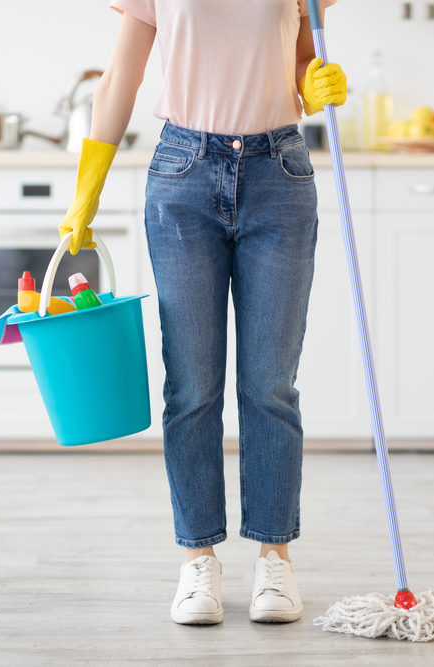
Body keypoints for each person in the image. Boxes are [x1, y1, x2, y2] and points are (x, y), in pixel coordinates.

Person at [58, 0, 347, 625]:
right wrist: (88, 188)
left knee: (270, 384)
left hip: (280, 172)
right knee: (191, 385)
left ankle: (276, 557)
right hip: (183, 173)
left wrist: (316, 80)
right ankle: (198, 560)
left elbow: (301, 60)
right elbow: (121, 77)